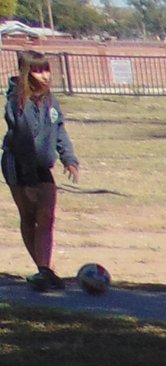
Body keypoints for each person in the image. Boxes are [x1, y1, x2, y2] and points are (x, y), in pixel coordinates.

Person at [4, 52, 76, 292]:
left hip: (42, 165)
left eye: (47, 69)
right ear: (27, 73)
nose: (45, 75)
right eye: (38, 70)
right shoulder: (17, 100)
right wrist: (30, 180)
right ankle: (42, 268)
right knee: (29, 216)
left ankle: (45, 269)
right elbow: (23, 138)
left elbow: (59, 129)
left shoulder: (51, 100)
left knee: (47, 216)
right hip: (19, 164)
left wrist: (68, 158)